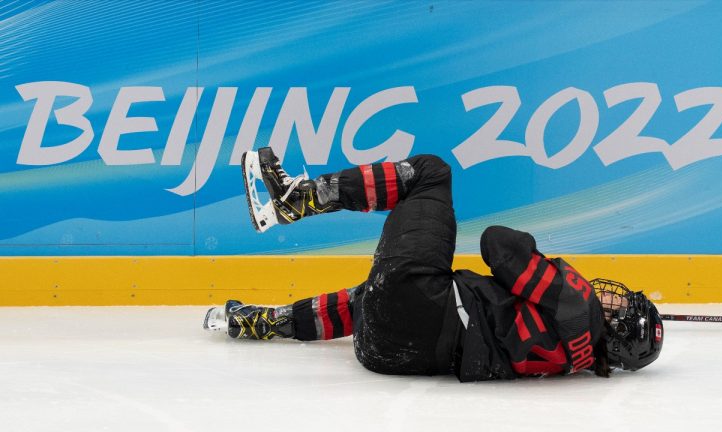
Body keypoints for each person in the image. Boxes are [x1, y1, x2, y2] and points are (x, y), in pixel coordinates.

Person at [203, 148, 664, 382]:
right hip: (388, 356)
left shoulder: (577, 300)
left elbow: (497, 246)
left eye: (622, 305)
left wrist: (544, 258)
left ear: (619, 328)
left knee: (431, 174)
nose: (613, 295)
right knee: (372, 301)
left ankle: (297, 199)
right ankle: (259, 323)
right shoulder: (574, 362)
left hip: (425, 304)